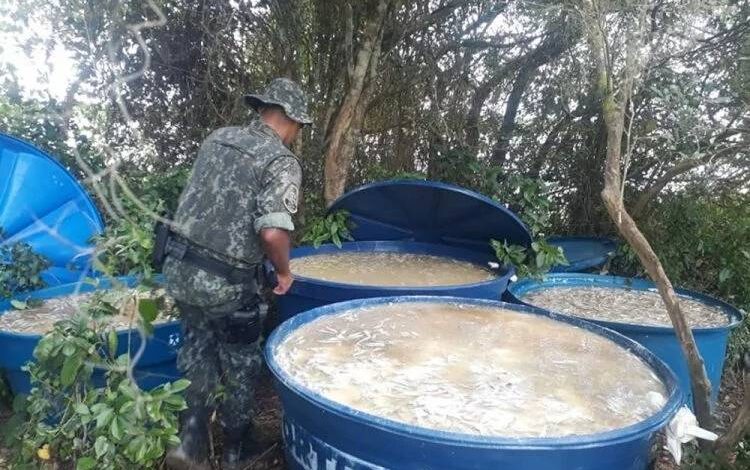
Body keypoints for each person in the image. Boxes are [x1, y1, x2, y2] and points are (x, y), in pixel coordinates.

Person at [163, 78, 311, 470]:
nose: (297, 135)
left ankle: (191, 438)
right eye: (299, 126)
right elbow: (272, 230)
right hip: (226, 282)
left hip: (178, 267)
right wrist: (284, 272)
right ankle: (236, 447)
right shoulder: (280, 160)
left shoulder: (218, 138)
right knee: (242, 360)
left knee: (196, 345)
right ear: (290, 119)